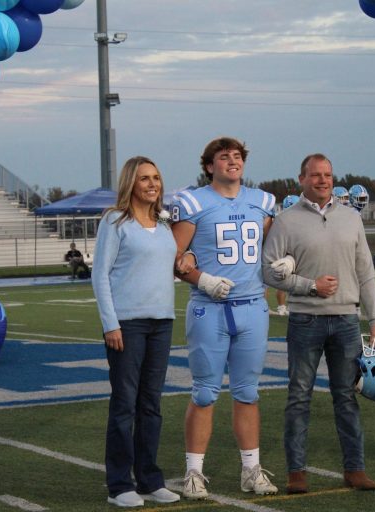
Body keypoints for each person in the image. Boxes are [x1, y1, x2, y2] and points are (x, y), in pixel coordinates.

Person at [262, 153, 375, 495]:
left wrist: (374, 318)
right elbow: (268, 270)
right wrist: (309, 286)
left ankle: (355, 469)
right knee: (299, 397)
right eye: (315, 175)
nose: (322, 180)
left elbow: (365, 272)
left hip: (346, 320)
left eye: (327, 174)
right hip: (304, 319)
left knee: (346, 397)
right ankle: (296, 472)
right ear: (301, 179)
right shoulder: (285, 221)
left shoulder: (351, 218)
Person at [170, 137, 278, 500]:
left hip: (252, 306)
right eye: (223, 156)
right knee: (204, 393)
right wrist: (202, 278)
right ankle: (194, 473)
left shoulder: (262, 202)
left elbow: (272, 249)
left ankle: (250, 469)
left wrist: (284, 262)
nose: (232, 161)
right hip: (208, 307)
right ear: (209, 166)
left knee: (247, 392)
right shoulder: (193, 202)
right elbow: (173, 256)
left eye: (237, 156)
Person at [91, 156, 181, 507]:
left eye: (156, 178)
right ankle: (119, 485)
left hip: (162, 321)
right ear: (131, 182)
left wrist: (185, 261)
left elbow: (166, 264)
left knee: (151, 405)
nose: (152, 184)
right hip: (127, 323)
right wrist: (110, 323)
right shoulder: (115, 221)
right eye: (145, 178)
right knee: (124, 404)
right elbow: (100, 275)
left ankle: (149, 479)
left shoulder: (162, 223)